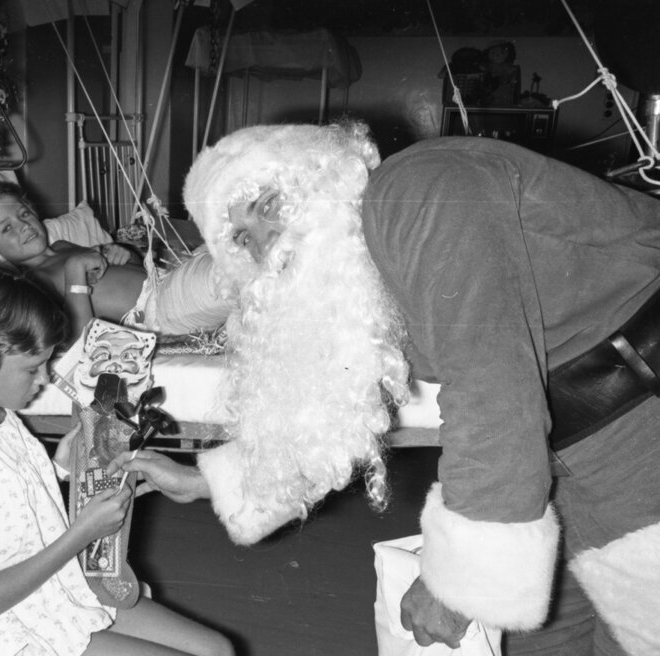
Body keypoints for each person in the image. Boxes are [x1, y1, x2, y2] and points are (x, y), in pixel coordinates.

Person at [111, 122, 660, 655]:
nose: (266, 242)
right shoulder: (366, 269)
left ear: (324, 177)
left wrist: (456, 586)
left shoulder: (417, 193)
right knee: (549, 639)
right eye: (241, 237)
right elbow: (333, 414)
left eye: (269, 203)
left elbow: (490, 385)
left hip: (639, 417)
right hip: (559, 446)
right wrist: (204, 481)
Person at [0, 263, 234, 656]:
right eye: (33, 369)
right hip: (1, 633)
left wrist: (63, 470)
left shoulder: (1, 418)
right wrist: (82, 533)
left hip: (49, 594)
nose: (44, 381)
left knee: (218, 650)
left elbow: (9, 510)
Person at [0, 179, 234, 340]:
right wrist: (75, 273)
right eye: (7, 228)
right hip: (157, 309)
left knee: (231, 250)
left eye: (23, 213)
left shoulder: (62, 245)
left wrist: (126, 256)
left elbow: (130, 275)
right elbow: (78, 338)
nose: (23, 225)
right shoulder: (29, 283)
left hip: (164, 281)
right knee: (230, 277)